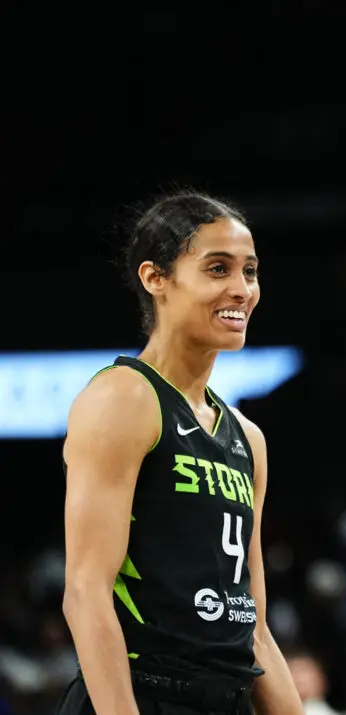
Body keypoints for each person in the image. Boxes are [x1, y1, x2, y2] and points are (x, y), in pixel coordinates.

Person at [59, 192, 304, 715]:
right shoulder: (124, 398)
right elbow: (85, 591)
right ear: (156, 278)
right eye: (218, 269)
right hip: (142, 693)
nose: (241, 289)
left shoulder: (248, 439)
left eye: (250, 271)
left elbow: (255, 629)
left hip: (229, 697)